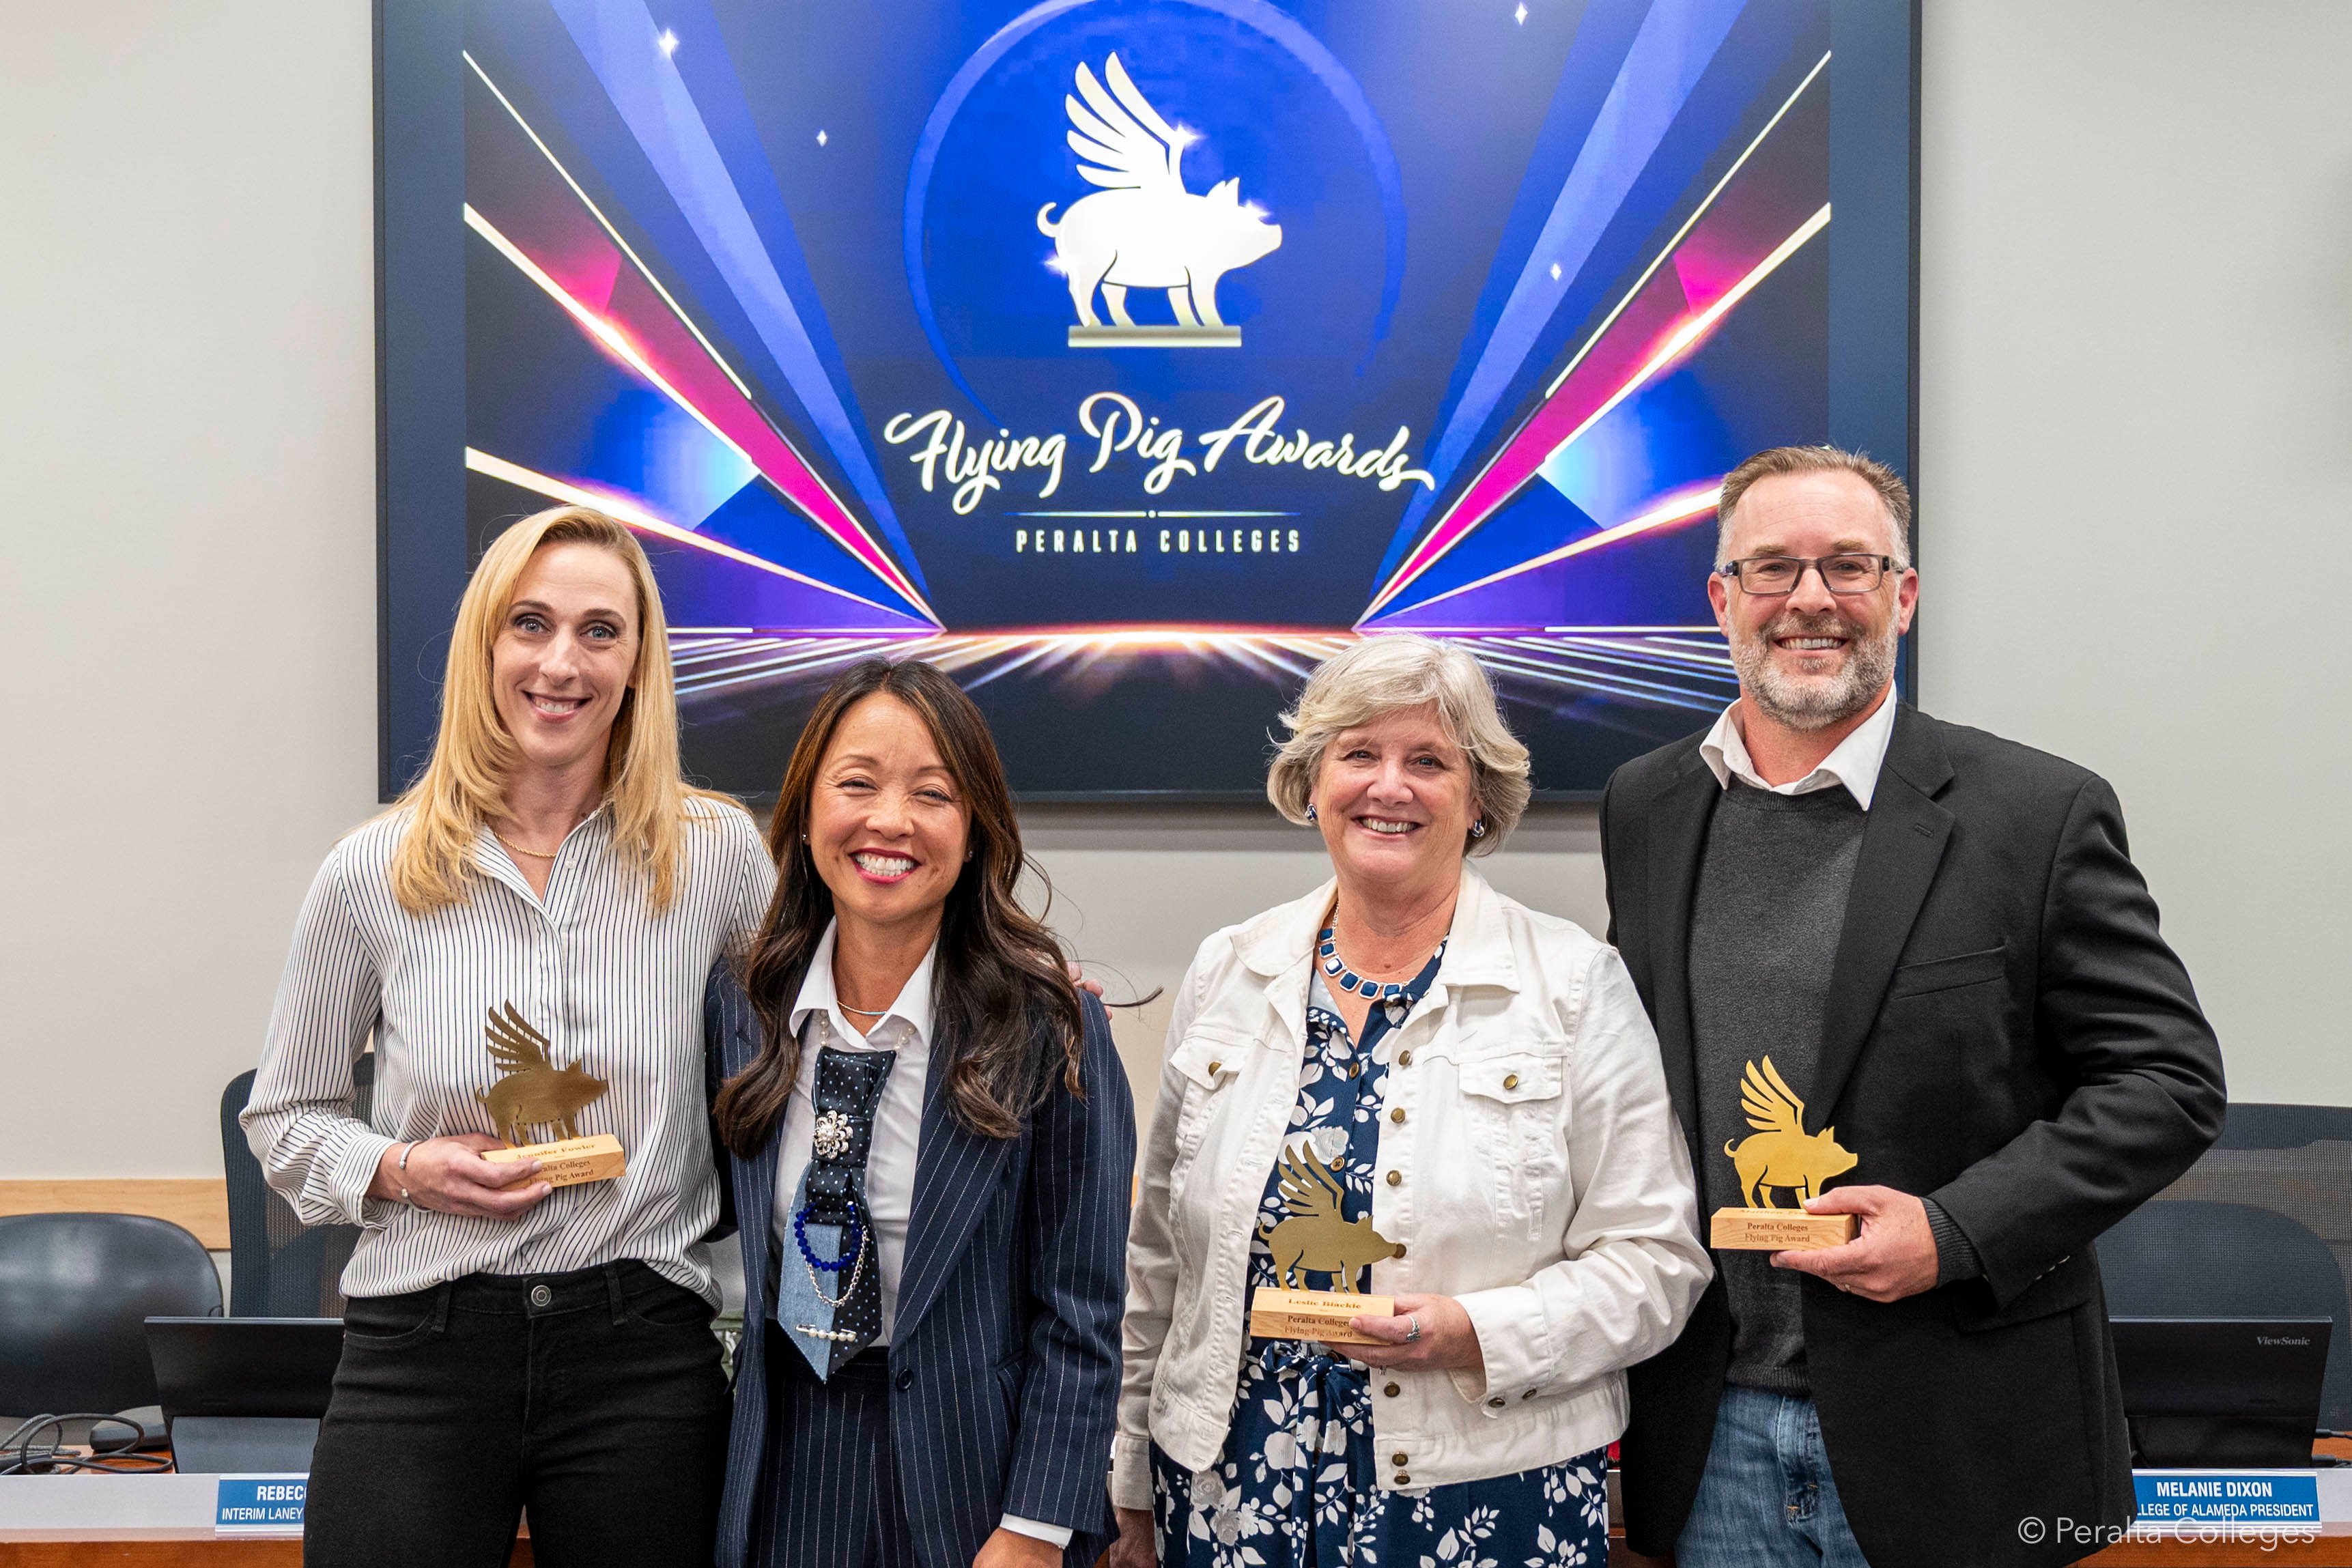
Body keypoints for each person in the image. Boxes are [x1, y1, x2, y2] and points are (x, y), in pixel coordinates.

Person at [1602, 446, 2226, 1568]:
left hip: (1964, 1427)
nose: (1808, 601)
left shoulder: (2035, 812)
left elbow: (2166, 1083)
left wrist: (1952, 1233)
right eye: (1771, 569)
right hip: (1708, 1432)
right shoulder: (1647, 804)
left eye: (1847, 566)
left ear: (1903, 592)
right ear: (1721, 599)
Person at [242, 506, 774, 1566]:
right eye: (529, 624)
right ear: (486, 645)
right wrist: (400, 1166)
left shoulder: (716, 855)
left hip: (642, 1350)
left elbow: (828, 1028)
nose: (560, 663)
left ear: (638, 661)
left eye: (599, 631)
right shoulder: (373, 869)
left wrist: (1007, 977)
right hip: (420, 1350)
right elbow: (284, 1118)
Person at [1110, 634, 1710, 1568]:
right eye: (1357, 754)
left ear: (1478, 801)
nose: (1388, 785)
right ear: (1311, 781)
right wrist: (1130, 1480)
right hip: (1230, 1493)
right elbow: (1160, 1262)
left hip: (1481, 1494)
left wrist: (1477, 1334)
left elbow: (1657, 1260)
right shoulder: (1230, 969)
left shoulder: (1572, 984)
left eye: (1428, 760)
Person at [706, 657, 1135, 1568]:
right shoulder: (740, 1006)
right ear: (807, 811)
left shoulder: (1051, 1027)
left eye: (932, 793)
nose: (888, 820)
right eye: (855, 784)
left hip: (974, 1487)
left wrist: (1034, 1525)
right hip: (785, 1469)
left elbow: (1083, 1311)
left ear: (975, 829)